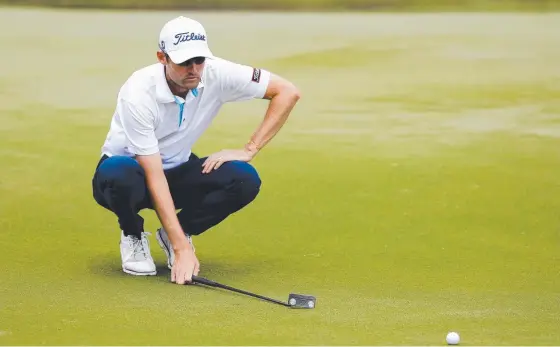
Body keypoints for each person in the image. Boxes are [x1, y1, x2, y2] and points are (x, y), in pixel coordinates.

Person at [91, 15, 300, 285]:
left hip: (177, 171)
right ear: (162, 57)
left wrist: (250, 149)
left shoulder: (216, 72)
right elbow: (153, 174)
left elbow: (287, 92)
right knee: (118, 173)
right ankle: (132, 232)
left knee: (244, 178)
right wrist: (182, 249)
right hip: (132, 177)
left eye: (199, 60)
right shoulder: (138, 92)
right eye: (183, 62)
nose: (193, 69)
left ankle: (174, 234)